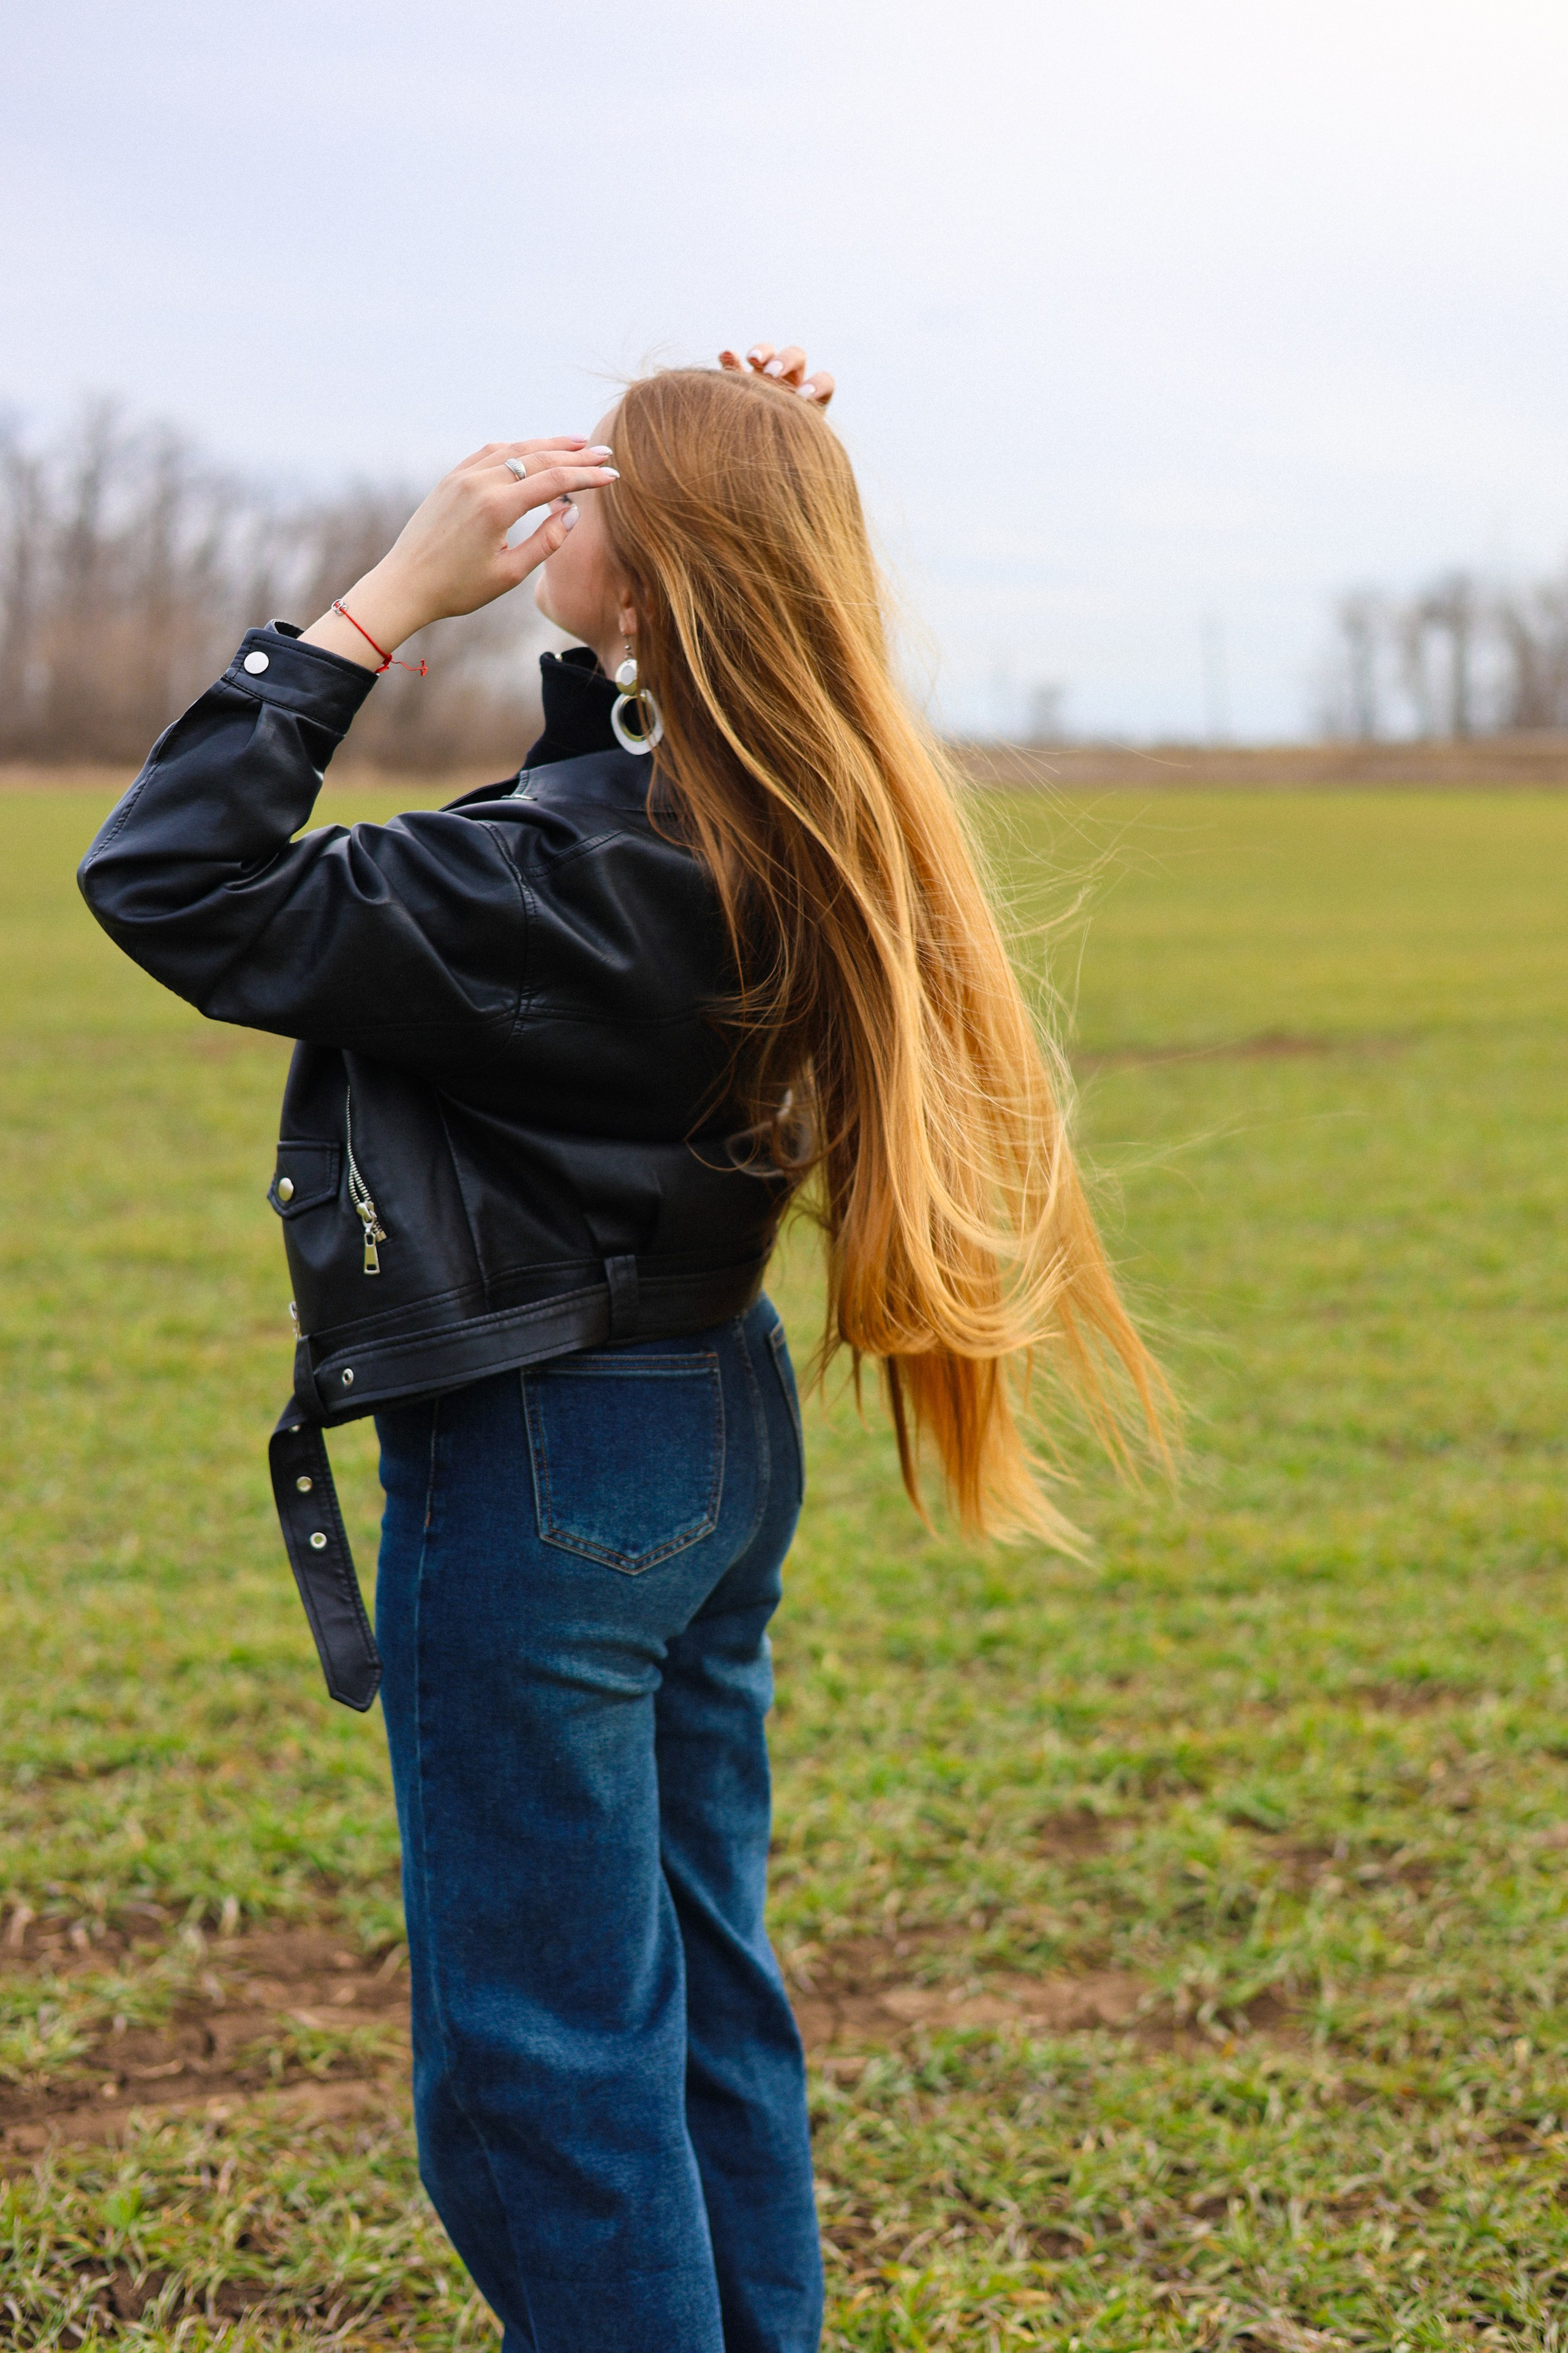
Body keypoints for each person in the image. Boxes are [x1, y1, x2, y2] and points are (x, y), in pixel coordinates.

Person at [78, 341, 1165, 2353]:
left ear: (663, 585)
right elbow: (622, 786)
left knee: (545, 2065)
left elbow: (170, 877)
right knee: (696, 1988)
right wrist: (738, 501)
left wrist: (378, 607)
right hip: (710, 1419)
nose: (548, 507)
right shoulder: (792, 828)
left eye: (601, 501)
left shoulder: (551, 887)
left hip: (550, 1460)